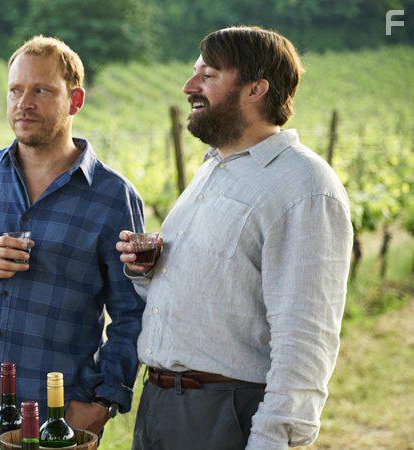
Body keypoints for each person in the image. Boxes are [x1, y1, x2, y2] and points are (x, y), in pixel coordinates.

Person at [117, 27, 353, 450]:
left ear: (256, 89)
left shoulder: (304, 185)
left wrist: (272, 438)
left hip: (227, 413)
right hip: (159, 404)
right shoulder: (214, 167)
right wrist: (145, 272)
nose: (189, 87)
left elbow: (306, 336)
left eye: (208, 75)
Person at [0, 36, 145, 448]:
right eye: (15, 90)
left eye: (42, 90)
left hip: (55, 426)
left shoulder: (112, 198)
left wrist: (103, 401)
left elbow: (134, 313)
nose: (24, 103)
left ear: (75, 100)